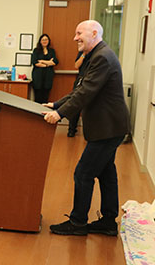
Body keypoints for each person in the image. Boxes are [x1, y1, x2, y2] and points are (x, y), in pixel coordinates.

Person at [43, 20, 130, 236]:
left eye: (78, 33)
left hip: (107, 128)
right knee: (106, 173)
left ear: (93, 33)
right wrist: (56, 104)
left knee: (83, 173)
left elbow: (86, 92)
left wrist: (59, 114)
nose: (75, 38)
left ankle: (78, 222)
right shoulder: (96, 55)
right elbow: (79, 88)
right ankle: (109, 222)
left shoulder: (102, 57)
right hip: (109, 127)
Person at [31, 34, 58, 103]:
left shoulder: (52, 51)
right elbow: (35, 63)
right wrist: (48, 63)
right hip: (38, 77)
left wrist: (42, 61)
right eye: (43, 40)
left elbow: (55, 62)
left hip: (48, 77)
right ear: (40, 41)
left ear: (48, 41)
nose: (45, 41)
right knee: (37, 96)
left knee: (46, 96)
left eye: (46, 39)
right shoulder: (36, 50)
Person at [67, 52, 85, 137]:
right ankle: (71, 129)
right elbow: (76, 65)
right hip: (81, 79)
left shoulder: (98, 53)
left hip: (92, 80)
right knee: (75, 103)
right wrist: (84, 54)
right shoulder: (82, 53)